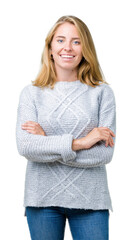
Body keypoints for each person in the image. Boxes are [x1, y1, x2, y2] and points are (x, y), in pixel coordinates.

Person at [16, 15, 116, 240]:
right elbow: (26, 147)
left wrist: (48, 142)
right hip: (42, 199)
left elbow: (104, 154)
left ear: (85, 48)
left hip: (91, 200)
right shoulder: (31, 94)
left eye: (76, 41)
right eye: (60, 40)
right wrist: (81, 142)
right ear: (50, 48)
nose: (67, 48)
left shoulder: (102, 93)